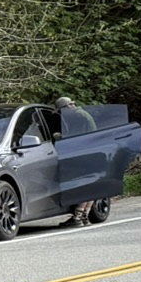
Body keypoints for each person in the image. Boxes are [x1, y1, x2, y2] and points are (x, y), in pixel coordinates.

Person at [54, 97, 96, 227]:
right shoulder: (82, 114)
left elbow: (74, 136)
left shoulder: (78, 116)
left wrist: (58, 137)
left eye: (61, 110)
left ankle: (77, 217)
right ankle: (85, 216)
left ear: (66, 107)